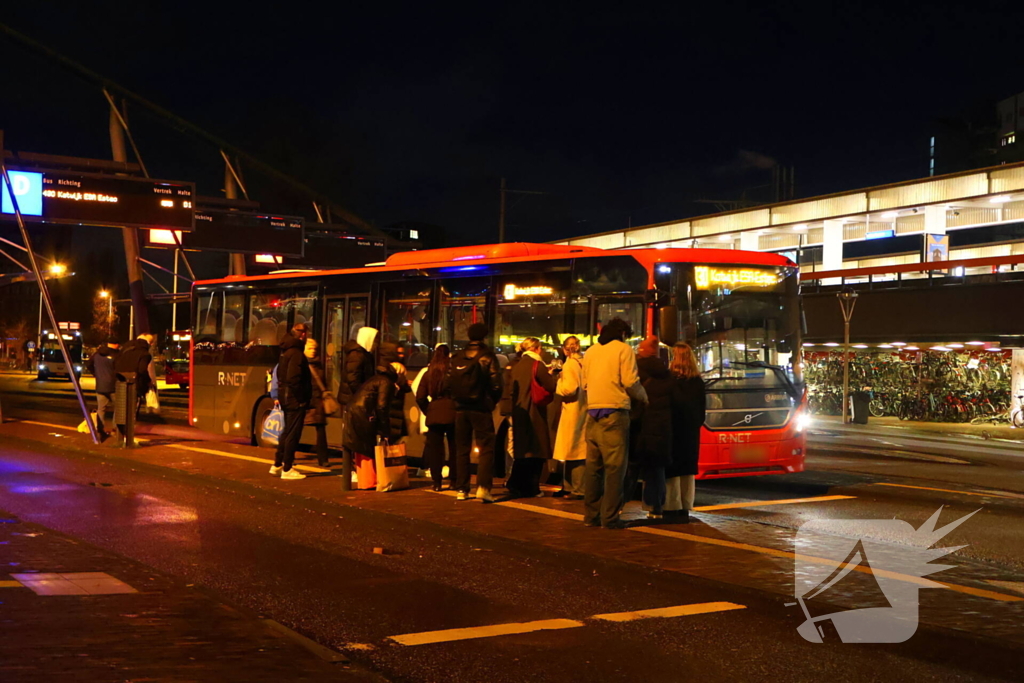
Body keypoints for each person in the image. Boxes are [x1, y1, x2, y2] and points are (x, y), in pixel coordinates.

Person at [581, 318, 648, 529]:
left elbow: (584, 383)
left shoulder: (591, 351)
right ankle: (609, 518)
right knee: (615, 469)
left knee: (593, 468)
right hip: (615, 413)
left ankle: (591, 516)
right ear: (623, 333)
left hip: (592, 413)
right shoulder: (623, 349)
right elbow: (630, 381)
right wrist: (644, 397)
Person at [447, 322, 503, 502]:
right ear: (485, 336)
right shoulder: (487, 356)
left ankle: (462, 489)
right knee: (486, 448)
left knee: (462, 449)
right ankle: (483, 488)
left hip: (461, 409)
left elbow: (449, 382)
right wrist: (490, 402)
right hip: (481, 408)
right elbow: (496, 384)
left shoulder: (457, 356)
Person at [504, 337, 557, 499]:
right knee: (537, 451)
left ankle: (515, 484)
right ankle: (532, 487)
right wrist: (553, 375)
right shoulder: (537, 364)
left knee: (522, 451)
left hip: (519, 412)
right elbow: (550, 386)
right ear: (536, 348)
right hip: (534, 412)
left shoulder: (517, 364)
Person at [630, 344, 674, 519]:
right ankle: (656, 508)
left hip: (639, 429)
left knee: (630, 470)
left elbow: (634, 403)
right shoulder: (667, 377)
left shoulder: (638, 377)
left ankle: (617, 506)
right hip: (660, 430)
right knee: (656, 470)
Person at [342, 362, 403, 484]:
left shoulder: (376, 379)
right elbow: (382, 407)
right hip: (364, 416)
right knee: (367, 448)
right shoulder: (386, 383)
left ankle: (366, 479)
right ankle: (370, 480)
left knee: (362, 448)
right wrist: (386, 430)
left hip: (357, 413)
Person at [667, 342, 706, 523]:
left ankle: (672, 506)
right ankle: (685, 506)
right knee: (688, 470)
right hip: (690, 431)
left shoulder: (670, 380)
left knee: (673, 470)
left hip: (673, 429)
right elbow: (701, 412)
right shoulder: (697, 382)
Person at [271, 323, 312, 480]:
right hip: (295, 399)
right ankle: (287, 468)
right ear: (302, 335)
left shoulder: (285, 351)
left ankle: (277, 464)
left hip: (286, 397)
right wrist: (301, 398)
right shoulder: (296, 353)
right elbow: (294, 378)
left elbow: (282, 376)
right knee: (293, 434)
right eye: (306, 334)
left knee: (287, 432)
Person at [416, 345, 457, 491]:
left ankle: (437, 482)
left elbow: (420, 397)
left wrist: (428, 410)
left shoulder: (429, 373)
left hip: (434, 412)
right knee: (455, 448)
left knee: (435, 450)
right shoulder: (452, 373)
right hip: (453, 412)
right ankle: (454, 480)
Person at [552, 336, 586, 499]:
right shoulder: (583, 362)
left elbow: (569, 389)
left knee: (573, 448)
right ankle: (570, 486)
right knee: (576, 447)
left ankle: (575, 488)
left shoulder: (571, 364)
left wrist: (558, 382)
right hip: (582, 408)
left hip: (573, 409)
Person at [112, 333, 155, 443]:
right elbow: (142, 370)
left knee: (121, 410)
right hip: (135, 385)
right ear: (149, 343)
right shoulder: (145, 354)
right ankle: (129, 438)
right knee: (132, 412)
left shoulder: (124, 349)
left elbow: (114, 364)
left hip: (120, 382)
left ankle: (120, 435)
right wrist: (148, 382)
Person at [304, 339, 331, 468]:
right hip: (305, 402)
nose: (313, 351)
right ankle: (287, 457)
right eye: (310, 348)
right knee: (294, 431)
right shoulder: (300, 364)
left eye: (314, 348)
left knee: (321, 431)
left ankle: (323, 459)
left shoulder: (318, 365)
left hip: (317, 402)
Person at [86, 338, 120, 436]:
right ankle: (116, 429)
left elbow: (88, 364)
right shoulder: (117, 354)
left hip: (100, 385)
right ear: (115, 344)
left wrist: (95, 374)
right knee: (118, 408)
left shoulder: (97, 354)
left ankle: (100, 429)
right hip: (114, 385)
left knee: (101, 408)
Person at [339, 327, 378, 406]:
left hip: (356, 398)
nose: (376, 344)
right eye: (374, 340)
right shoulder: (357, 355)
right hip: (353, 398)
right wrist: (364, 394)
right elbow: (353, 379)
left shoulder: (365, 354)